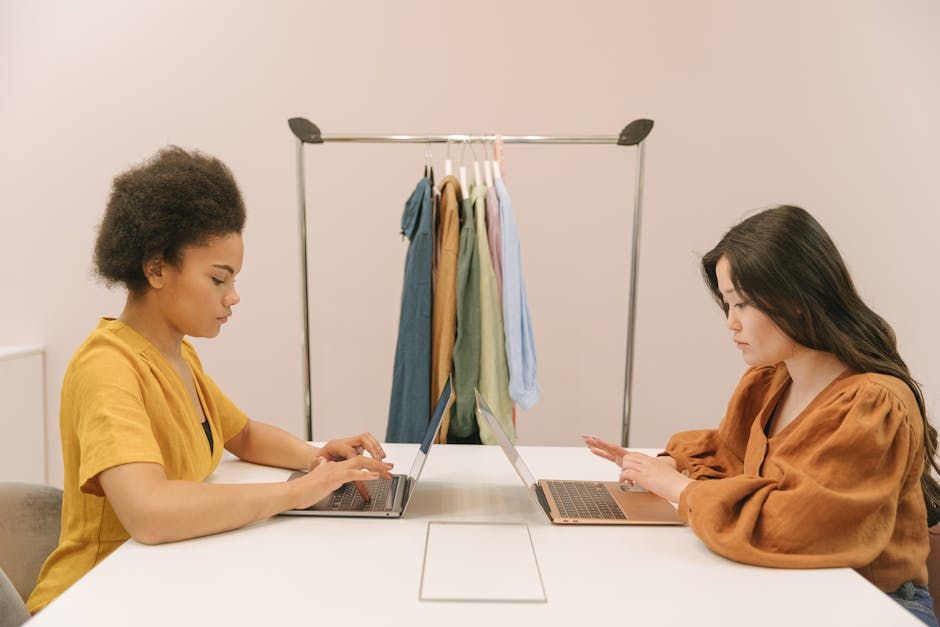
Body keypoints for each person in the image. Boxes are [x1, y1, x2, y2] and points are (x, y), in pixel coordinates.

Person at [27, 147, 393, 613]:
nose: (233, 296)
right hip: (93, 599)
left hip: (159, 582)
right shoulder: (106, 367)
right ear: (157, 267)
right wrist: (294, 494)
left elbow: (241, 433)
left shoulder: (178, 355)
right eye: (219, 279)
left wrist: (314, 457)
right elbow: (150, 513)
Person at [585, 205, 939, 626]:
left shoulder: (874, 405)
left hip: (873, 604)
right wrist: (668, 466)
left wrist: (681, 490)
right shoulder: (770, 381)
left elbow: (797, 529)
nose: (731, 324)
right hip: (798, 591)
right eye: (727, 305)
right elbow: (731, 458)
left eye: (743, 305)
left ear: (798, 301)